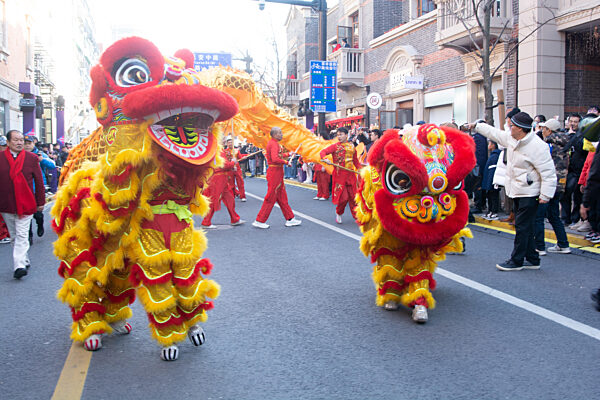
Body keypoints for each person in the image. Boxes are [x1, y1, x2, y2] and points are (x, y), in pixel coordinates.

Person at [472, 112, 557, 271]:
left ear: (521, 129)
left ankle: (516, 261)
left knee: (522, 227)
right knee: (527, 226)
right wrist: (477, 126)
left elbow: (548, 173)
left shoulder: (538, 147)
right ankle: (532, 259)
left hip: (530, 192)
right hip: (516, 190)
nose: (509, 128)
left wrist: (546, 195)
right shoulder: (511, 138)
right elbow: (494, 133)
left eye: (512, 125)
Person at [0, 130, 45, 279]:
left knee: (21, 234)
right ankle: (24, 259)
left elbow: (39, 181)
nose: (19, 143)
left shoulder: (32, 158)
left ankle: (19, 265)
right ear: (8, 142)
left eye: (21, 140)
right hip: (6, 203)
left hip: (26, 203)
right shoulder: (0, 158)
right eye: (16, 140)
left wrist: (41, 202)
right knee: (14, 235)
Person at [534, 118, 571, 254]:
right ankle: (563, 244)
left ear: (549, 130)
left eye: (543, 128)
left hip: (547, 184)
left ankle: (539, 246)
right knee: (554, 215)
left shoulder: (547, 144)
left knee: (538, 216)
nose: (542, 131)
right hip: (560, 184)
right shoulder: (565, 142)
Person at [252, 127, 302, 229]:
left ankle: (290, 218)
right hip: (275, 173)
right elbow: (275, 159)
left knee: (282, 197)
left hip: (277, 173)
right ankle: (260, 220)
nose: (281, 134)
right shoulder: (274, 144)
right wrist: (286, 162)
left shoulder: (273, 143)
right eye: (279, 133)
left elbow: (277, 155)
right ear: (274, 134)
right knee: (270, 197)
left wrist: (288, 154)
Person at [319, 127, 361, 224]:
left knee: (353, 197)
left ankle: (357, 217)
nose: (339, 136)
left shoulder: (352, 146)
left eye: (341, 134)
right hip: (339, 175)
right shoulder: (335, 146)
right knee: (344, 198)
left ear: (346, 135)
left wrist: (361, 170)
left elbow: (356, 161)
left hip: (351, 175)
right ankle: (339, 212)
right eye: (338, 135)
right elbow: (323, 152)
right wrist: (325, 158)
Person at [201, 138, 245, 228]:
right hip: (218, 178)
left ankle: (234, 218)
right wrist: (233, 163)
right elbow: (223, 164)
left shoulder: (217, 150)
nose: (225, 140)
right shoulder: (217, 150)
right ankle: (206, 222)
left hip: (223, 178)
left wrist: (231, 166)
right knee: (214, 199)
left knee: (229, 198)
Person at [561, 113, 588, 227]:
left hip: (579, 170)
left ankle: (575, 218)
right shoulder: (566, 134)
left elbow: (582, 149)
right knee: (565, 194)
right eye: (571, 121)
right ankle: (565, 218)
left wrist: (573, 137)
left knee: (576, 195)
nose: (572, 124)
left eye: (575, 122)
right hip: (567, 169)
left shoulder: (582, 135)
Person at [481, 140, 501, 220]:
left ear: (493, 145)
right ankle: (490, 211)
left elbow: (492, 170)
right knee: (489, 195)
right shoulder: (493, 155)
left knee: (493, 196)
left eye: (490, 144)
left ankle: (494, 211)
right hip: (489, 180)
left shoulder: (495, 155)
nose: (488, 145)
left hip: (492, 180)